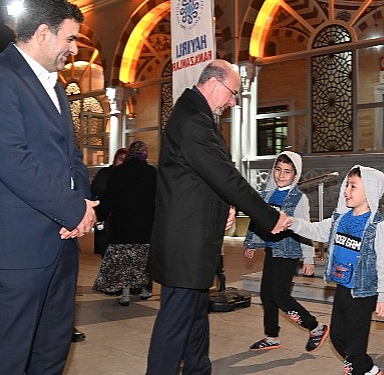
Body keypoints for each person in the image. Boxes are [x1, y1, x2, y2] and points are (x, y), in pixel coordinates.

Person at [0, 1, 98, 374]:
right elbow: (11, 159)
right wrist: (73, 209)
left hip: (61, 245)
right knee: (8, 358)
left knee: (51, 354)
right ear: (42, 33)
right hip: (15, 249)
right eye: (70, 38)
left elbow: (73, 156)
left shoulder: (56, 87)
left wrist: (83, 203)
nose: (75, 48)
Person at [145, 59, 289, 375]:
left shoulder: (196, 116)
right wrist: (267, 215)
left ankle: (198, 371)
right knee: (175, 324)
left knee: (196, 317)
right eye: (233, 93)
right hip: (186, 242)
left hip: (195, 238)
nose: (233, 101)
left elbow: (201, 177)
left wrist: (225, 206)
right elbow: (223, 174)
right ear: (214, 84)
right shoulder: (193, 120)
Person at [289, 166, 384, 375]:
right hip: (343, 288)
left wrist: (383, 295)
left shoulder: (375, 226)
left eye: (353, 186)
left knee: (355, 345)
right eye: (347, 185)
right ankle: (369, 369)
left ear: (370, 191)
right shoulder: (340, 219)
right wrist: (292, 222)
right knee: (337, 338)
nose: (346, 190)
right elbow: (316, 230)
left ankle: (356, 368)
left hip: (363, 292)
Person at [243, 151, 329, 352]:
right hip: (272, 250)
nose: (281, 175)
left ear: (295, 175)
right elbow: (257, 221)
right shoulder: (267, 194)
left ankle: (315, 327)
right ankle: (271, 336)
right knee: (266, 294)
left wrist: (308, 258)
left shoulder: (299, 199)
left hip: (289, 252)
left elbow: (305, 228)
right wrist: (251, 243)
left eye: (287, 172)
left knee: (280, 296)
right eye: (278, 170)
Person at [93, 141, 156, 306]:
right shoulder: (151, 173)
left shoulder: (119, 172)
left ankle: (125, 294)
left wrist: (99, 215)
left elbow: (109, 197)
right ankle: (145, 290)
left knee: (125, 261)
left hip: (122, 226)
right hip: (145, 227)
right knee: (142, 260)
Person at [90, 147, 128, 255]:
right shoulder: (104, 173)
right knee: (105, 248)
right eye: (120, 159)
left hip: (120, 219)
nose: (122, 162)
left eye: (125, 160)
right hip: (105, 216)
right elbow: (95, 190)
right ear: (115, 159)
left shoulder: (128, 176)